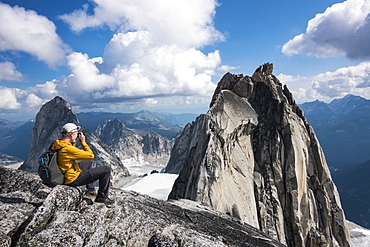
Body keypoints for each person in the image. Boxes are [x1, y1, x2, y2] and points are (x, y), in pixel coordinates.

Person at [52, 123, 115, 205]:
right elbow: (90, 155)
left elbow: (70, 153)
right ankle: (102, 197)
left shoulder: (58, 144)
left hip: (62, 174)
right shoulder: (67, 148)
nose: (77, 135)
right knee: (106, 170)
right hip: (72, 179)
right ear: (71, 134)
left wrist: (73, 141)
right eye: (76, 133)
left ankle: (91, 190)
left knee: (87, 163)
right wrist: (83, 142)